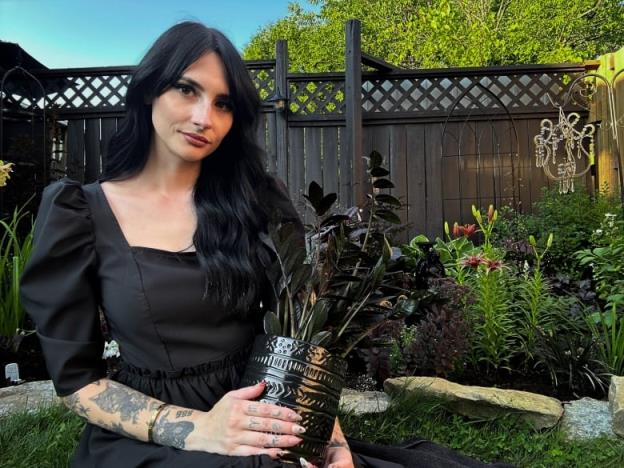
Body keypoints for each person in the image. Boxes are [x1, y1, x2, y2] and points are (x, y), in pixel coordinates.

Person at [20, 22, 513, 468]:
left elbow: (303, 340)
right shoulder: (78, 214)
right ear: (150, 91)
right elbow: (78, 384)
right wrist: (198, 429)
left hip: (271, 416)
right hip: (153, 440)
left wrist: (329, 441)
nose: (202, 117)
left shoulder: (255, 203)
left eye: (223, 102)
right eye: (186, 90)